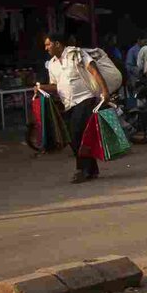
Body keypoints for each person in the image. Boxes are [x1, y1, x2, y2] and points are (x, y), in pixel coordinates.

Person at [36, 33, 109, 183]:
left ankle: (81, 170)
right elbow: (56, 86)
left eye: (48, 44)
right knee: (75, 137)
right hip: (68, 104)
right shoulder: (52, 64)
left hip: (85, 99)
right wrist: (42, 87)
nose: (46, 48)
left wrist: (105, 92)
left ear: (57, 44)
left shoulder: (76, 53)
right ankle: (91, 169)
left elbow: (94, 71)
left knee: (76, 134)